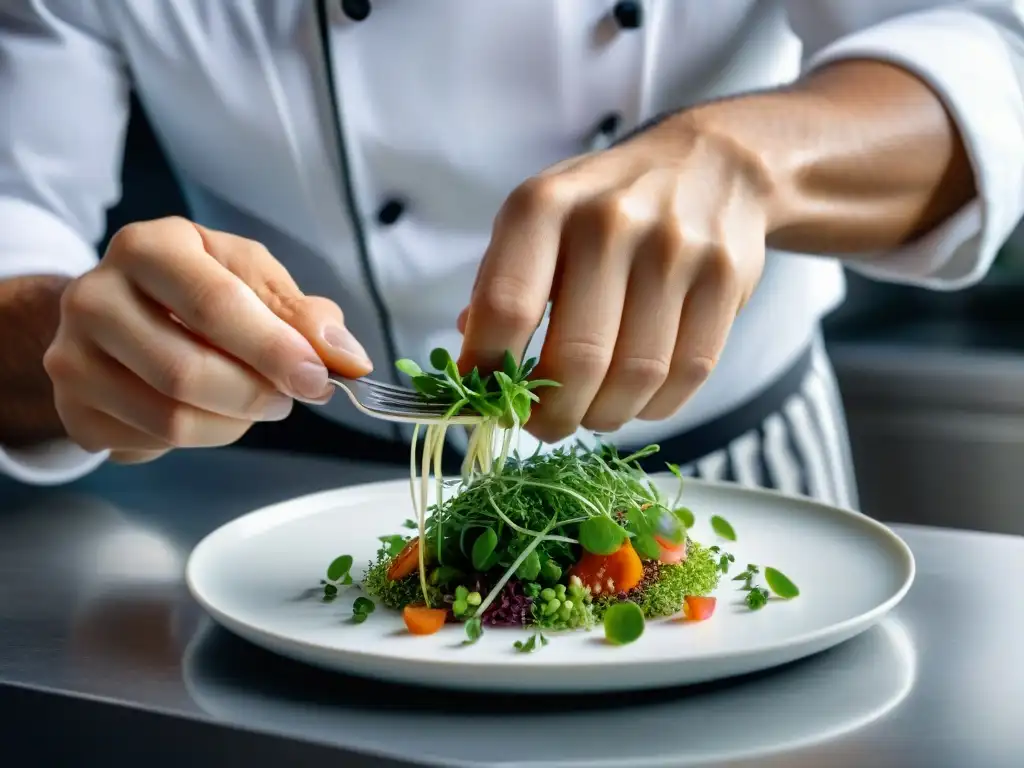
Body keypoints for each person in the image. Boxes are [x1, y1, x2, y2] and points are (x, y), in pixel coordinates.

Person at [1, 1, 1022, 509]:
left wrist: (749, 160)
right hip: (302, 497)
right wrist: (82, 339)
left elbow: (987, 53)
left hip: (740, 471)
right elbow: (17, 211)